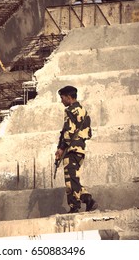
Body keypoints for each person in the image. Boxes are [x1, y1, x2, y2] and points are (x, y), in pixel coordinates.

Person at [55, 85, 98, 213]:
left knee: (70, 179)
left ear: (69, 97)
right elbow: (88, 133)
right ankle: (87, 198)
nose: (61, 101)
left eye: (62, 98)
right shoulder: (83, 111)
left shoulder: (69, 111)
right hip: (80, 149)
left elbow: (68, 132)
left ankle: (75, 206)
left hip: (72, 149)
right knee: (74, 178)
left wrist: (61, 148)